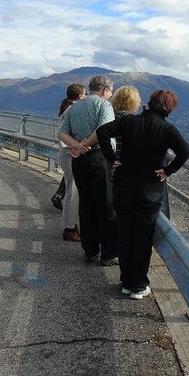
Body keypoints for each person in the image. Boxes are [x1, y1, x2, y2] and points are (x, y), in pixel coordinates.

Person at [94, 89, 189, 299]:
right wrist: (167, 171)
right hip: (149, 188)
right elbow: (185, 151)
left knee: (125, 231)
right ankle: (139, 284)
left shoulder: (129, 122)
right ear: (168, 109)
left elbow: (102, 132)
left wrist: (112, 160)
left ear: (149, 103)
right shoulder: (167, 129)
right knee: (142, 236)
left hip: (123, 185)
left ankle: (127, 281)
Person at [58, 75, 118, 265]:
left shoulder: (74, 106)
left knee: (86, 205)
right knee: (106, 206)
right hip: (99, 158)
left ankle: (90, 250)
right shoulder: (104, 105)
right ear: (104, 89)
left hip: (79, 161)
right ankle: (108, 253)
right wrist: (86, 145)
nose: (110, 94)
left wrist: (77, 145)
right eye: (110, 91)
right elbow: (104, 129)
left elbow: (61, 132)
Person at [55, 83, 86, 241]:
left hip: (66, 152)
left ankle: (71, 226)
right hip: (70, 153)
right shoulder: (74, 109)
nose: (86, 96)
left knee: (71, 190)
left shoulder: (65, 107)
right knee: (73, 192)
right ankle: (69, 228)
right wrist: (80, 144)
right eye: (85, 93)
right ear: (80, 95)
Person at [109, 85, 141, 161]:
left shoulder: (110, 113)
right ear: (133, 101)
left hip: (108, 156)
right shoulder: (126, 117)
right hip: (121, 158)